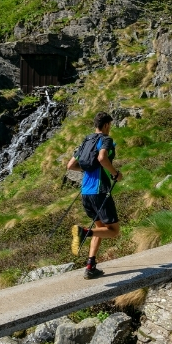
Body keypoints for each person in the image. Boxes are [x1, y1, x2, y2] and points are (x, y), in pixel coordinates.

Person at [67, 112, 123, 279]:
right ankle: (84, 232)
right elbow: (102, 157)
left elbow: (70, 165)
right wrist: (114, 173)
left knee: (100, 229)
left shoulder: (86, 141)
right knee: (113, 231)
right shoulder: (105, 139)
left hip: (85, 192)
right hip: (99, 191)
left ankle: (90, 266)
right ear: (106, 125)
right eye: (110, 125)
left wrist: (86, 170)